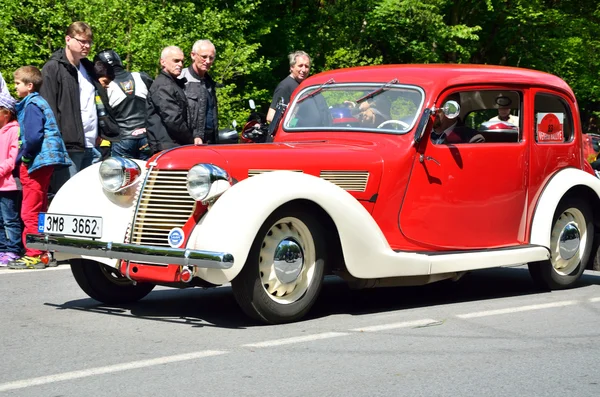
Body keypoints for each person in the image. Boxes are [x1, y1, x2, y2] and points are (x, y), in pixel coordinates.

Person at [9, 66, 71, 269]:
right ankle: (44, 251)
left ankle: (34, 253)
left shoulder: (31, 105)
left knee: (30, 210)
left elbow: (34, 137)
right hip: (44, 162)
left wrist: (25, 158)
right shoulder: (38, 102)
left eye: (18, 83)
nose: (15, 87)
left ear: (29, 85)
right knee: (40, 206)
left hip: (36, 163)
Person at [40, 22, 104, 193]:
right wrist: (55, 142)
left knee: (90, 197)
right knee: (69, 197)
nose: (87, 46)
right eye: (82, 41)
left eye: (89, 42)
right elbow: (47, 109)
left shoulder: (89, 68)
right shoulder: (52, 68)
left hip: (92, 144)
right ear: (68, 39)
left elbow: (97, 102)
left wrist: (103, 130)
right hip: (67, 146)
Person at [94, 49, 153, 159]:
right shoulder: (141, 77)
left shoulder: (104, 85)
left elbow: (102, 116)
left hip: (122, 138)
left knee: (123, 174)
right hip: (146, 136)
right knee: (148, 173)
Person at [146, 46, 193, 153]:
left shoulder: (172, 83)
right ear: (163, 62)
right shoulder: (163, 85)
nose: (180, 65)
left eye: (182, 61)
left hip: (171, 144)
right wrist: (191, 139)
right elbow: (172, 119)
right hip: (167, 146)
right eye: (176, 61)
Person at [180, 40, 219, 145]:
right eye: (204, 57)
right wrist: (194, 136)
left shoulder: (210, 82)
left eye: (211, 58)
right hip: (191, 141)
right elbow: (175, 115)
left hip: (211, 139)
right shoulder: (181, 79)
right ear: (193, 55)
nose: (207, 61)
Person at [0, 91, 22, 266]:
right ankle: (2, 249)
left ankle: (13, 249)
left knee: (10, 219)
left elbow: (13, 157)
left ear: (6, 113)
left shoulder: (14, 130)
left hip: (8, 185)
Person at [266, 50, 311, 122]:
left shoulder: (305, 85)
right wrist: (294, 125)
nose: (303, 69)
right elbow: (271, 116)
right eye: (300, 66)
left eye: (306, 66)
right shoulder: (285, 86)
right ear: (292, 67)